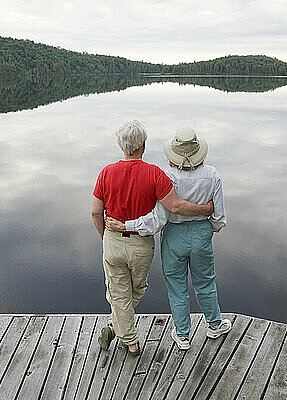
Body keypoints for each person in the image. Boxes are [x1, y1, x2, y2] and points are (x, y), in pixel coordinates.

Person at [91, 120, 213, 356]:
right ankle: (131, 341)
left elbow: (96, 211)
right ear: (143, 146)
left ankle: (115, 325)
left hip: (113, 240)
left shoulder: (106, 172)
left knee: (119, 293)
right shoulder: (154, 173)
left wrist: (105, 237)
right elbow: (175, 206)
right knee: (137, 288)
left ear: (121, 146)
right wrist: (205, 210)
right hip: (141, 244)